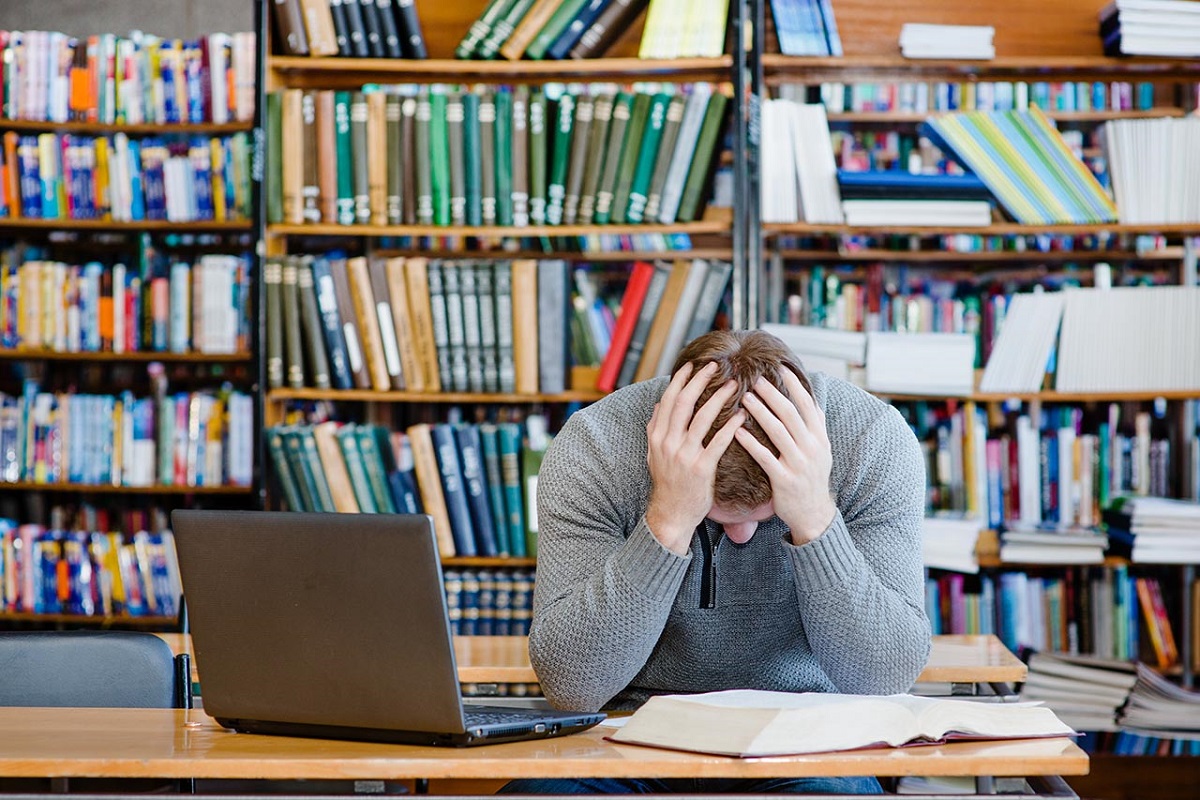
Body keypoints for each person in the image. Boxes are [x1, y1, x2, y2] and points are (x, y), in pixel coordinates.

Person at [502, 329, 930, 796]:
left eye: (764, 516)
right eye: (715, 517)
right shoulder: (594, 446)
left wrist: (814, 516)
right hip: (628, 730)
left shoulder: (873, 439)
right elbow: (572, 684)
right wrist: (668, 519)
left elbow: (884, 675)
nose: (742, 537)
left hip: (807, 731)